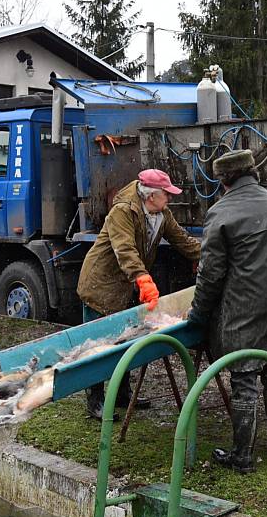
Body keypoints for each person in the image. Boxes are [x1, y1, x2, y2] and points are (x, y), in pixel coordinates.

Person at [187, 149, 267, 474]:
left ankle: (242, 456)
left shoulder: (221, 213)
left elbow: (210, 275)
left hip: (246, 310)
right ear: (253, 172)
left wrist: (197, 317)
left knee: (244, 379)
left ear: (223, 179)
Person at [77, 169, 201, 419]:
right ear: (152, 195)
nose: (170, 198)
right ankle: (96, 400)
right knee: (98, 345)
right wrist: (142, 278)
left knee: (124, 340)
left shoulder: (161, 213)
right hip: (102, 285)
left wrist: (207, 256)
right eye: (167, 194)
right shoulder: (122, 212)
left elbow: (182, 240)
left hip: (126, 285)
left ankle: (122, 394)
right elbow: (125, 249)